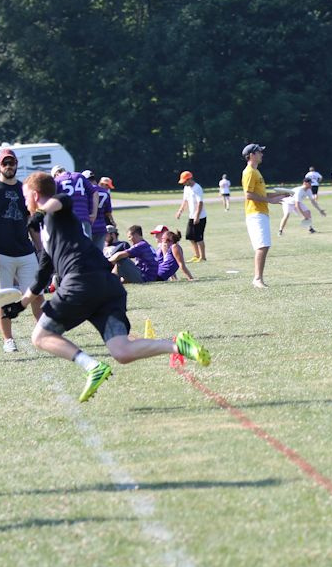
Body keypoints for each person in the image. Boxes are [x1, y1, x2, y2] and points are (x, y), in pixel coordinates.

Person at [20, 172, 210, 403]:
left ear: (35, 195)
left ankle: (91, 366)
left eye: (25, 197)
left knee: (40, 336)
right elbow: (42, 275)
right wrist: (19, 305)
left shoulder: (57, 211)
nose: (25, 202)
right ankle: (178, 345)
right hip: (107, 286)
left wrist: (41, 212)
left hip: (81, 283)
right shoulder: (47, 231)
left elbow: (62, 199)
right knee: (122, 352)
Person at [0, 148, 43, 354]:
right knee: (3, 298)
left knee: (37, 295)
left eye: (12, 162)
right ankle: (8, 340)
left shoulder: (24, 189)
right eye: (5, 163)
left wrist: (40, 248)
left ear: (16, 164)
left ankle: (45, 334)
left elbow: (31, 222)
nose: (9, 166)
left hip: (25, 251)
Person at [241, 143, 287, 288]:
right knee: (262, 246)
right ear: (252, 155)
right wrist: (269, 200)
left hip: (261, 212)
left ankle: (258, 278)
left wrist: (281, 195)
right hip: (255, 213)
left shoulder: (256, 172)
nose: (262, 154)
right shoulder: (249, 172)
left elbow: (262, 194)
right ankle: (257, 279)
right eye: (259, 152)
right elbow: (248, 195)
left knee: (264, 245)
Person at [52, 166, 97, 238]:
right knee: (86, 244)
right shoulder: (79, 176)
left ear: (56, 174)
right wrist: (94, 213)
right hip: (83, 216)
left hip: (67, 220)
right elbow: (94, 192)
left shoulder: (57, 181)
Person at [174, 171, 207, 262]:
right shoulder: (186, 188)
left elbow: (200, 203)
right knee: (190, 236)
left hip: (200, 217)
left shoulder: (197, 188)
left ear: (189, 179)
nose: (183, 183)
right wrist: (180, 211)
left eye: (184, 181)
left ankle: (203, 257)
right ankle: (196, 255)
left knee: (199, 238)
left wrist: (197, 216)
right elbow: (185, 201)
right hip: (191, 216)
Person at [90, 177, 116, 250]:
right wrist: (112, 222)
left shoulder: (88, 190)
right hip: (101, 226)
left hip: (90, 224)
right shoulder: (105, 193)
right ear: (103, 184)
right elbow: (108, 212)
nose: (108, 188)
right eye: (107, 186)